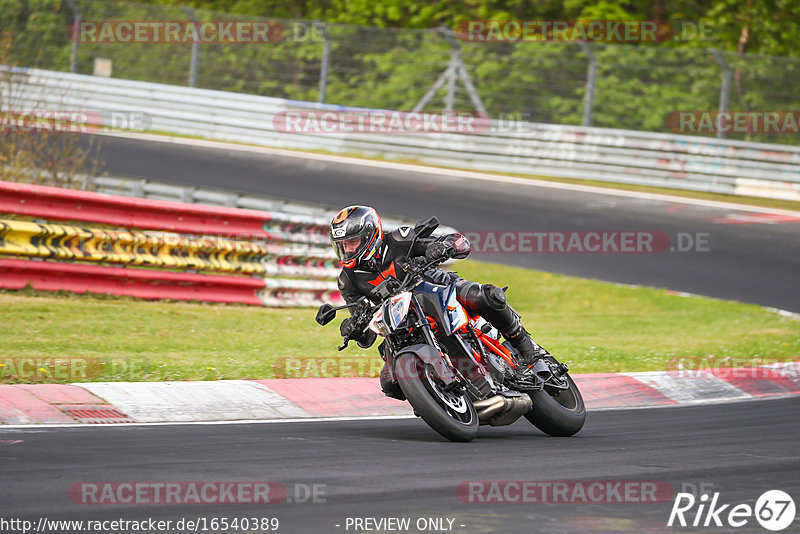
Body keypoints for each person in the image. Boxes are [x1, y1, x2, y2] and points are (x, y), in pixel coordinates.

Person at [330, 205, 542, 398]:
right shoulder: (348, 280)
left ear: (369, 235)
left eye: (352, 243)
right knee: (390, 381)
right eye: (343, 245)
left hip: (441, 289)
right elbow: (366, 334)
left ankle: (524, 344)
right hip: (401, 321)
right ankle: (437, 395)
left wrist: (443, 246)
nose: (348, 250)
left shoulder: (398, 239)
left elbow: (460, 242)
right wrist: (354, 328)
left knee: (485, 295)